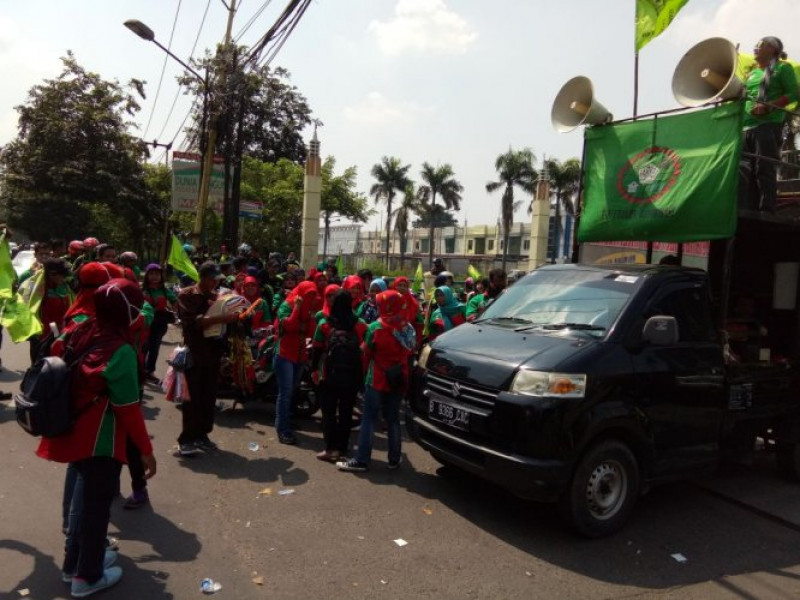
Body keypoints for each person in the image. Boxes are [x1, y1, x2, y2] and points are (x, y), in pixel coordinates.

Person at [37, 278, 157, 597]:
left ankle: (72, 565)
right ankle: (86, 577)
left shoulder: (83, 327)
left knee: (82, 506)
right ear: (126, 311)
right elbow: (128, 409)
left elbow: (56, 348)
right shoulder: (121, 352)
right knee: (95, 510)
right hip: (100, 440)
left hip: (73, 430)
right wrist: (146, 451)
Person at [337, 290, 415, 472]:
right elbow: (411, 351)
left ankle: (361, 460)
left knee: (369, 419)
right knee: (393, 419)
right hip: (398, 379)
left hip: (377, 379)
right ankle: (394, 459)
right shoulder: (407, 327)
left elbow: (367, 352)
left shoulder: (376, 327)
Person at [176, 262, 240, 456]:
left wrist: (236, 315)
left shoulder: (217, 297)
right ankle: (186, 439)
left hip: (213, 355)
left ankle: (202, 435)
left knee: (209, 397)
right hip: (195, 353)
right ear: (203, 277)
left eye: (217, 280)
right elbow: (193, 323)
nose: (215, 283)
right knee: (192, 399)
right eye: (212, 279)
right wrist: (221, 318)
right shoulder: (186, 295)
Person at [741, 36, 799, 212]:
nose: (756, 46)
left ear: (773, 50)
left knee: (764, 167)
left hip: (768, 126)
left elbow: (794, 94)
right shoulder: (750, 73)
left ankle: (767, 208)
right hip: (745, 127)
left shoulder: (783, 68)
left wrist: (769, 107)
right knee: (745, 170)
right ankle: (748, 207)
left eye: (762, 44)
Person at [312, 290, 367, 462]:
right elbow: (366, 349)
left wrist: (314, 369)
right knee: (346, 412)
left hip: (329, 375)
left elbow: (316, 349)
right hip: (352, 376)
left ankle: (330, 449)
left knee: (328, 413)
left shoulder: (324, 324)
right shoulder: (361, 324)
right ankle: (342, 449)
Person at [273, 280, 319, 445]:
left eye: (314, 295)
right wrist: (298, 309)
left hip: (300, 355)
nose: (312, 298)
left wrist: (309, 317)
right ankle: (282, 430)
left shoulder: (309, 310)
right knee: (285, 394)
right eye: (309, 295)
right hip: (284, 354)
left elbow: (310, 331)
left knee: (291, 391)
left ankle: (286, 422)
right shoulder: (287, 305)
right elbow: (290, 326)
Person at [141, 264, 177, 382]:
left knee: (154, 348)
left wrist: (176, 313)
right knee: (143, 347)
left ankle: (150, 371)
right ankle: (139, 370)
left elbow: (175, 302)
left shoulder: (165, 290)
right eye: (151, 274)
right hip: (145, 322)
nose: (154, 276)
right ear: (147, 275)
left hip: (160, 323)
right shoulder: (141, 289)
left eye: (157, 274)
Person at [392, 276, 423, 347]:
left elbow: (419, 322)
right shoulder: (389, 301)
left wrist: (417, 340)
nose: (402, 288)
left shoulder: (413, 303)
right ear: (394, 286)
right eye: (399, 285)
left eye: (405, 286)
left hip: (408, 338)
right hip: (391, 336)